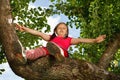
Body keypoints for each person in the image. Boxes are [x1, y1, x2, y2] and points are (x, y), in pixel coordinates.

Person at [15, 22, 106, 62]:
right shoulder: (51, 37)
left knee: (60, 51)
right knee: (37, 51)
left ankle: (58, 54)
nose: (62, 29)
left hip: (61, 52)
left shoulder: (69, 39)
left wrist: (94, 40)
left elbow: (80, 40)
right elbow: (39, 33)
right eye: (59, 28)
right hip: (48, 50)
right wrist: (25, 29)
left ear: (66, 31)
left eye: (64, 28)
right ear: (56, 31)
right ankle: (24, 55)